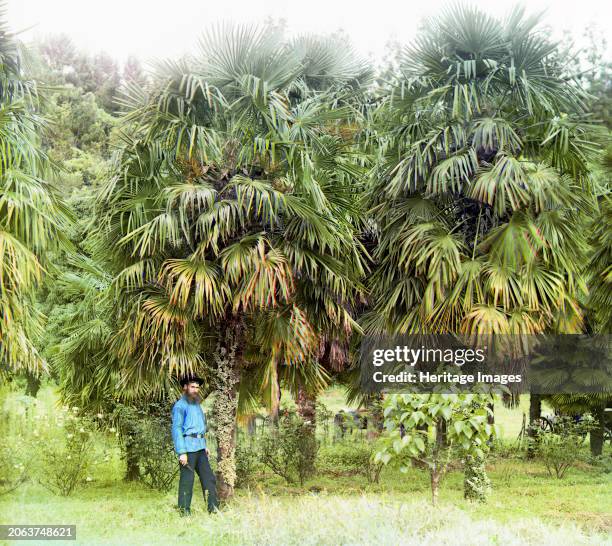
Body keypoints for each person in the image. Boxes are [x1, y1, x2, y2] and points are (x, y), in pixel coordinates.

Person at [171, 375, 219, 515]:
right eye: (192, 387)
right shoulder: (180, 406)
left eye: (197, 387)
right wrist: (181, 452)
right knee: (187, 480)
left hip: (200, 447)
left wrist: (204, 445)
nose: (195, 390)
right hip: (187, 448)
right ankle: (184, 512)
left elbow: (199, 428)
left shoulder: (196, 404)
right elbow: (177, 429)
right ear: (185, 387)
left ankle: (213, 509)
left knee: (208, 478)